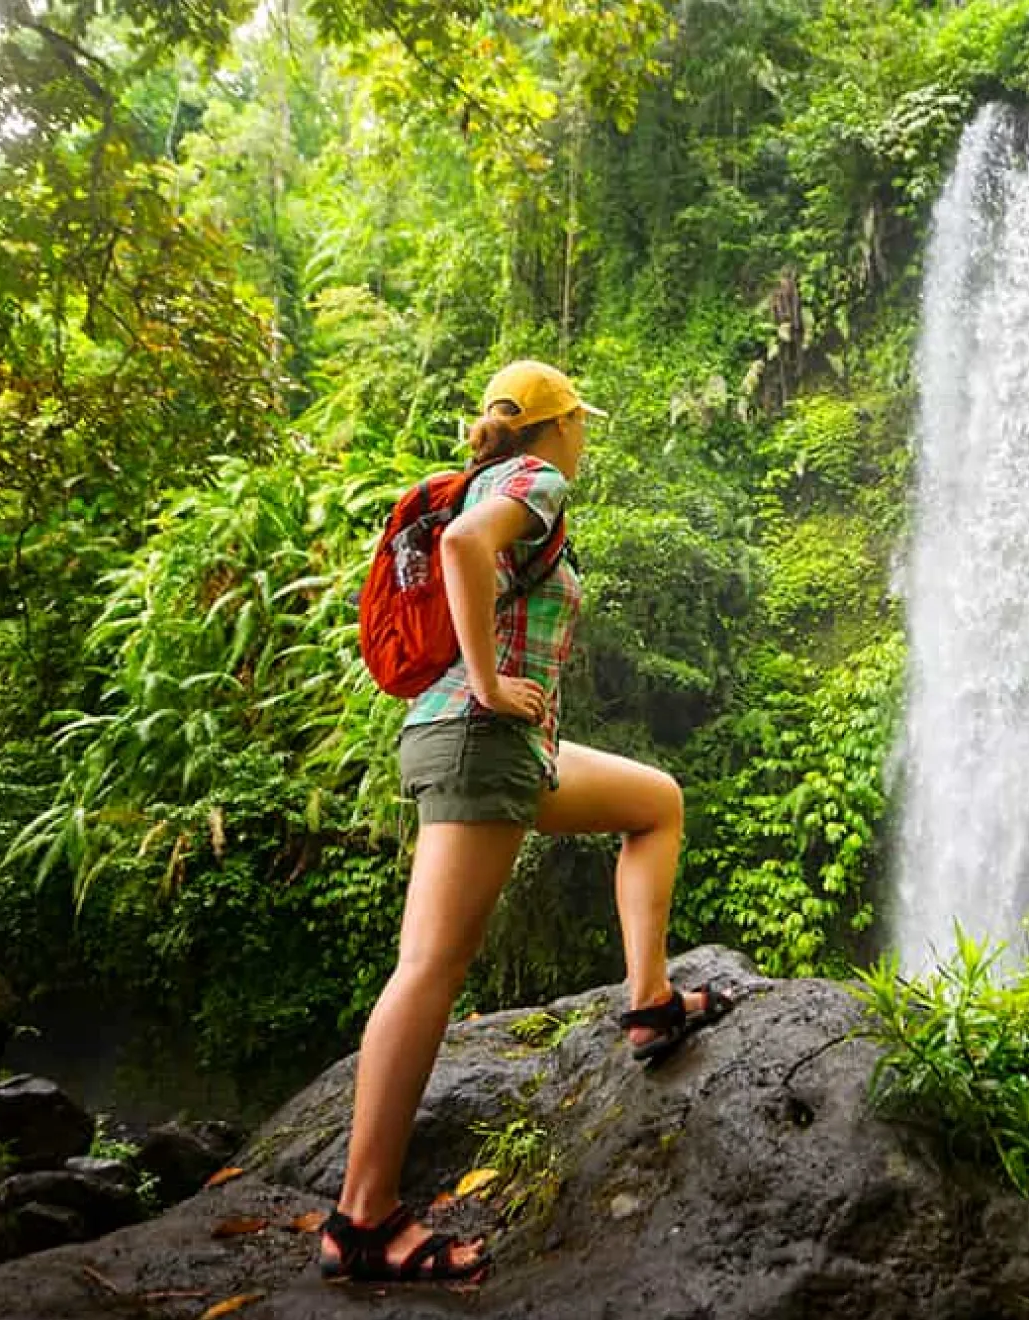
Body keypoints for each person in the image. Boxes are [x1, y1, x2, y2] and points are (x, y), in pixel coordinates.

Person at [319, 360, 734, 1284]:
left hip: (502, 743)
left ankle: (649, 1003)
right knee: (429, 968)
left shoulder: (482, 481)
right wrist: (491, 680)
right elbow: (467, 548)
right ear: (554, 427)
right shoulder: (531, 482)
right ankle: (361, 1221)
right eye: (579, 421)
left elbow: (469, 555)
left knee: (654, 801)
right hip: (480, 736)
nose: (584, 436)